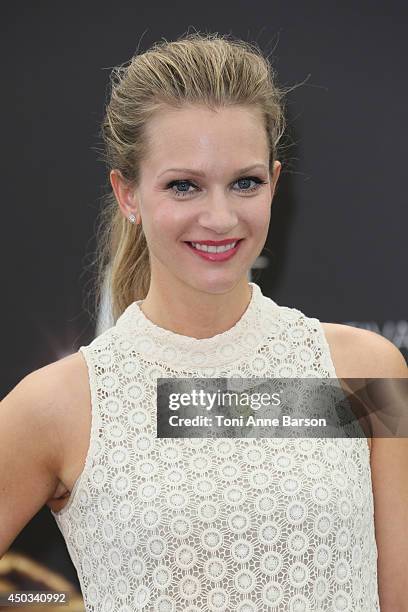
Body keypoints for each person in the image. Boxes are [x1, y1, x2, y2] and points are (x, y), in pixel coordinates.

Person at [1, 31, 407, 612]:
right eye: (183, 185)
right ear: (128, 194)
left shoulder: (362, 371)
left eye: (245, 183)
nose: (219, 218)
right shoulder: (62, 405)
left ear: (275, 182)